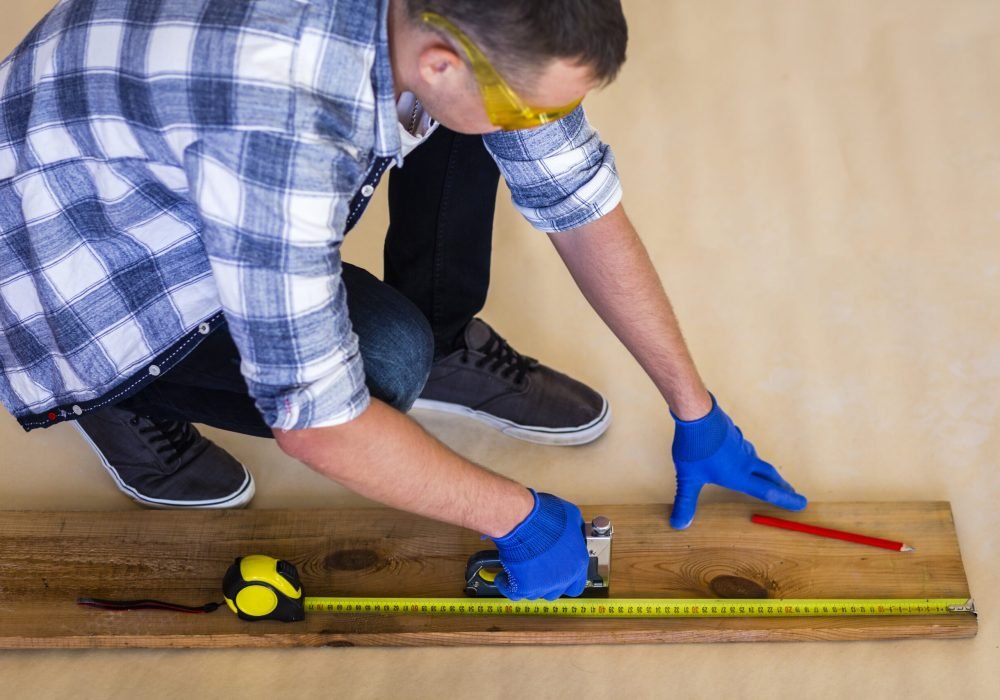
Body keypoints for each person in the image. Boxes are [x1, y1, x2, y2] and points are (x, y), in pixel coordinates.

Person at [0, 0, 807, 601]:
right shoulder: (281, 127)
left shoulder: (458, 27)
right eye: (537, 109)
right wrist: (519, 518)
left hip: (151, 147)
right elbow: (316, 420)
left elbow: (573, 193)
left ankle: (446, 336)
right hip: (73, 267)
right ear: (441, 62)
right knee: (385, 361)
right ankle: (109, 396)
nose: (545, 126)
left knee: (479, 129)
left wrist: (696, 409)